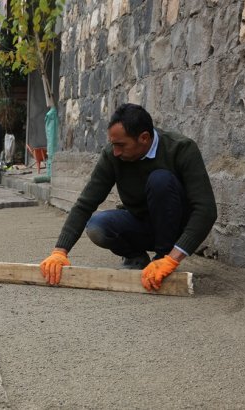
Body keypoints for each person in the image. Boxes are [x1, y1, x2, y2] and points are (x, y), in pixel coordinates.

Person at [39, 103, 217, 291]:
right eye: (113, 145)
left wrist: (171, 259)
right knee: (98, 226)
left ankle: (162, 260)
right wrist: (60, 251)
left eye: (121, 145)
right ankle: (136, 257)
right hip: (142, 225)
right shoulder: (113, 156)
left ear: (144, 138)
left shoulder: (181, 149)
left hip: (175, 228)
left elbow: (206, 210)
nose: (115, 152)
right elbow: (86, 203)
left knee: (160, 180)